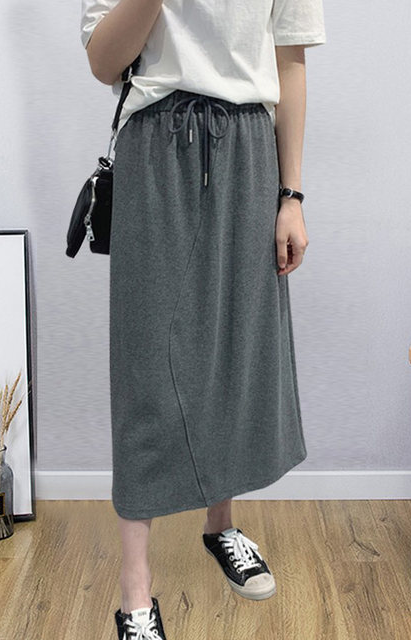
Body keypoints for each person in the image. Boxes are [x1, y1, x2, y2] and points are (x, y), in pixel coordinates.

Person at [80, 1, 326, 638]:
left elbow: (289, 61)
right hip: (156, 147)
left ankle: (221, 526)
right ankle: (136, 589)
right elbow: (103, 61)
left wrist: (292, 195)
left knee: (234, 348)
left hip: (249, 152)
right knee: (146, 366)